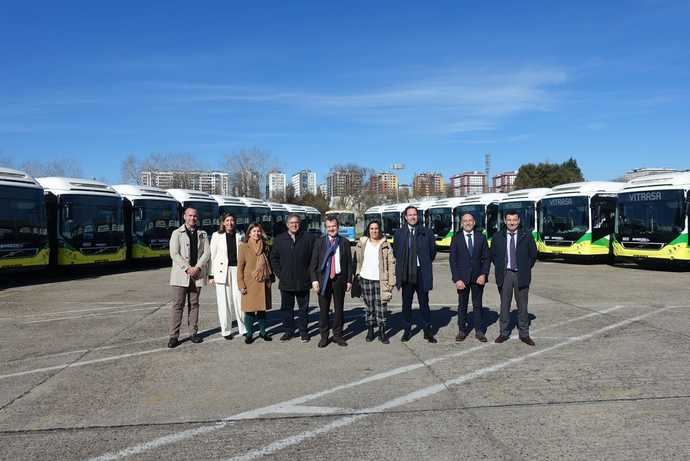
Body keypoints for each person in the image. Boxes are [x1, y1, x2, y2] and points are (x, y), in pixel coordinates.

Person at [490, 210, 538, 346]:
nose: (512, 222)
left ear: (519, 221)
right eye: (509, 220)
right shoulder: (498, 236)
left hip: (521, 274)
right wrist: (501, 267)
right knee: (504, 305)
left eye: (514, 220)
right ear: (505, 221)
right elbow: (493, 255)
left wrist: (525, 267)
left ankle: (524, 334)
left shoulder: (526, 236)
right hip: (505, 275)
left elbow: (533, 255)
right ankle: (503, 333)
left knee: (522, 306)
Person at [393, 205, 437, 343]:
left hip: (421, 272)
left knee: (424, 302)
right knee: (406, 303)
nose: (413, 217)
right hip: (406, 272)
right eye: (410, 215)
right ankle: (407, 330)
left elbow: (432, 252)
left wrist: (423, 262)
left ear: (418, 216)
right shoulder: (399, 233)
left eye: (415, 214)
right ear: (405, 217)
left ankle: (427, 330)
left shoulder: (426, 232)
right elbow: (396, 252)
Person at [168, 207, 210, 348]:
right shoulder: (176, 233)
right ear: (184, 217)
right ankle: (174, 336)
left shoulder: (203, 234)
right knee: (178, 305)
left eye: (195, 216)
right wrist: (188, 268)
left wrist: (197, 268)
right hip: (181, 275)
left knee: (194, 305)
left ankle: (193, 333)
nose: (193, 218)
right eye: (190, 215)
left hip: (196, 275)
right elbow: (174, 253)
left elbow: (207, 253)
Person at [270, 213, 316, 342]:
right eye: (291, 223)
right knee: (286, 308)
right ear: (287, 225)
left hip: (303, 280)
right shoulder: (279, 239)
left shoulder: (308, 238)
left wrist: (310, 275)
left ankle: (303, 331)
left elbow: (314, 258)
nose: (294, 225)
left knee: (303, 308)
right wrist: (280, 273)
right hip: (286, 281)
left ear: (299, 224)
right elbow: (273, 258)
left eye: (296, 222)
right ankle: (288, 331)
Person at [310, 216, 353, 348]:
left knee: (339, 309)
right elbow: (313, 264)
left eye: (333, 226)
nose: (331, 229)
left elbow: (349, 263)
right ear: (325, 228)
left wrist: (349, 280)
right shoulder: (319, 242)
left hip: (339, 279)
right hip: (323, 280)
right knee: (323, 310)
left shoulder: (344, 242)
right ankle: (324, 336)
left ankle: (338, 335)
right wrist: (314, 280)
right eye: (328, 227)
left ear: (338, 227)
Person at [353, 220, 396, 344]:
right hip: (365, 279)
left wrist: (391, 281)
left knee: (381, 306)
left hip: (380, 280)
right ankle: (370, 330)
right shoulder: (362, 243)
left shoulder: (385, 244)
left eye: (376, 228)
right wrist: (357, 274)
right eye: (371, 228)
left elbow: (391, 263)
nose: (374, 231)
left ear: (379, 230)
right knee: (369, 307)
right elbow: (357, 260)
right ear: (368, 230)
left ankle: (382, 332)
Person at [449, 213, 490, 342]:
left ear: (474, 222)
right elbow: (453, 260)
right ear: (461, 223)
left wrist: (484, 274)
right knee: (462, 305)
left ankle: (479, 331)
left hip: (478, 278)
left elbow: (486, 258)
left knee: (478, 305)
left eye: (470, 220)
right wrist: (457, 279)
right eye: (465, 220)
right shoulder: (456, 238)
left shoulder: (481, 237)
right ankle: (462, 330)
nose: (467, 223)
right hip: (462, 279)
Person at [209, 213, 246, 340]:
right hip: (221, 272)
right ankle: (226, 331)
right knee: (224, 303)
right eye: (227, 220)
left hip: (237, 271)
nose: (230, 223)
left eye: (232, 220)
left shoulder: (240, 235)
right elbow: (212, 256)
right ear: (223, 223)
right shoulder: (216, 236)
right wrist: (211, 275)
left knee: (240, 300)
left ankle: (243, 328)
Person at [237, 223, 274, 344]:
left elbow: (269, 263)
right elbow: (240, 268)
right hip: (249, 282)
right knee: (249, 310)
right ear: (249, 233)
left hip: (263, 281)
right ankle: (249, 333)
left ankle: (263, 332)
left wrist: (270, 278)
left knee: (262, 310)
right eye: (254, 231)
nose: (256, 233)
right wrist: (241, 284)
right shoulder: (243, 247)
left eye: (258, 231)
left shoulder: (266, 246)